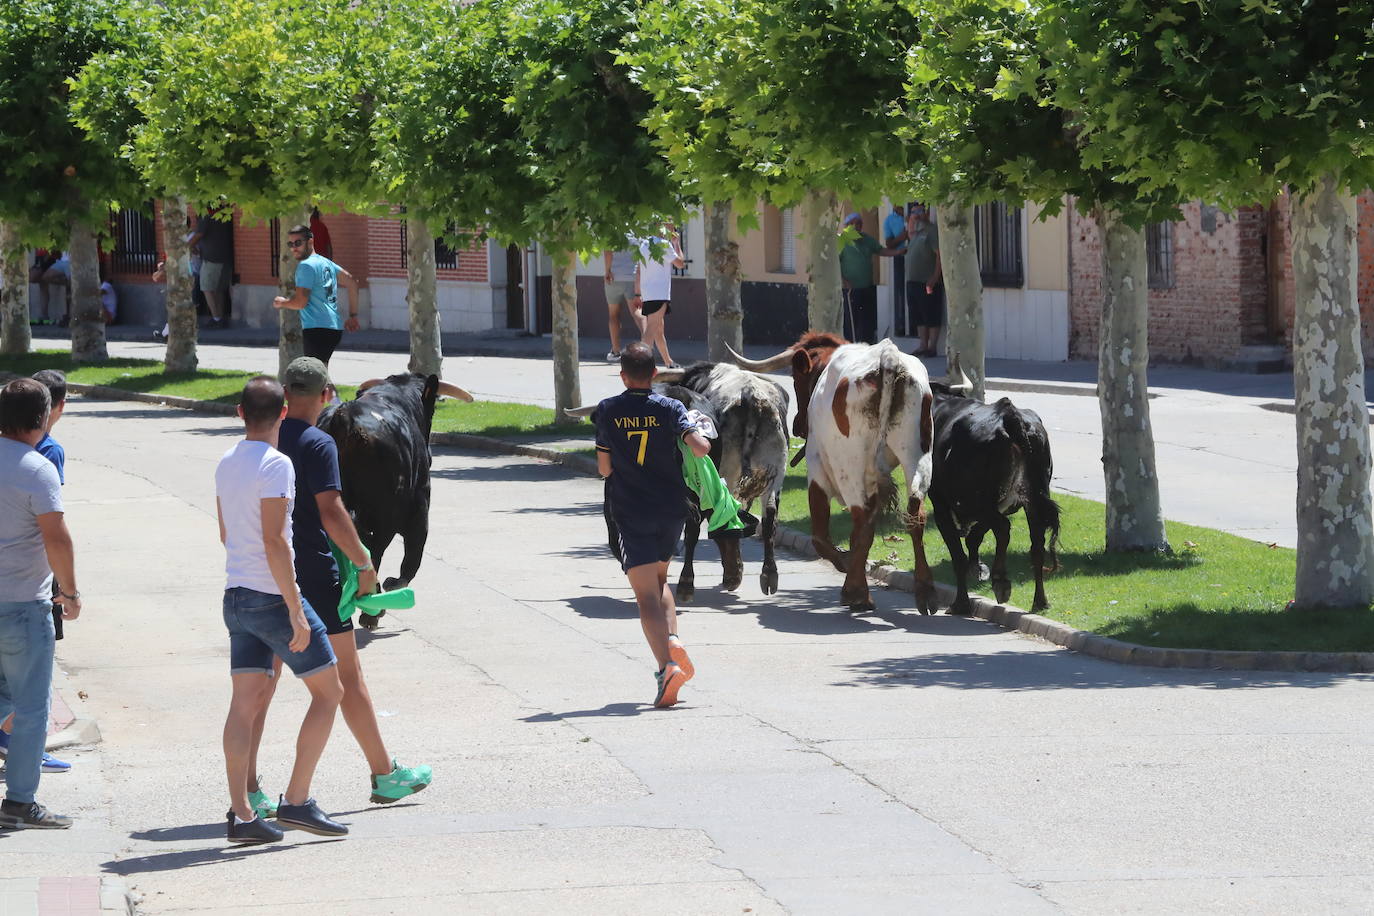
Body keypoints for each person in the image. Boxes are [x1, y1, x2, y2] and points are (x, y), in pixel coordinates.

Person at [243, 357, 432, 816]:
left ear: (286, 395)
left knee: (261, 687)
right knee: (346, 679)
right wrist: (364, 563)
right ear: (326, 395)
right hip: (312, 575)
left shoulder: (258, 442)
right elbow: (332, 511)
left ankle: (249, 789)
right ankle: (383, 775)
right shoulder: (318, 442)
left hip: (259, 576)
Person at [216, 376, 346, 844]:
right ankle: (297, 800)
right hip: (272, 596)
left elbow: (227, 534)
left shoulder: (226, 462)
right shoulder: (277, 465)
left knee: (243, 705)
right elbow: (275, 539)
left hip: (236, 595)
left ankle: (242, 814)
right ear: (284, 413)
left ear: (239, 412)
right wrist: (294, 607)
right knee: (330, 692)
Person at [595, 343, 712, 707]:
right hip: (671, 509)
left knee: (644, 595)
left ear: (623, 375)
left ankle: (666, 668)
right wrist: (697, 427)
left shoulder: (608, 410)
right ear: (655, 375)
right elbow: (701, 448)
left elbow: (604, 469)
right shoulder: (672, 407)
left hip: (632, 510)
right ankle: (673, 641)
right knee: (661, 580)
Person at [0, 378, 81, 830]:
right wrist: (68, 593)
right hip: (23, 606)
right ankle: (19, 803)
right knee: (31, 709)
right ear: (44, 415)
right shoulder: (37, 468)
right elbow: (57, 538)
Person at [273, 224, 360, 366]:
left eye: (298, 243)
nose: (294, 247)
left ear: (310, 242)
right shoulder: (326, 263)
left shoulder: (306, 266)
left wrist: (282, 302)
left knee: (315, 377)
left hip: (317, 329)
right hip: (333, 328)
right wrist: (353, 316)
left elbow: (301, 302)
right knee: (320, 375)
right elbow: (352, 283)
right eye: (290, 244)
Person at [838, 213, 903, 344]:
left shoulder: (867, 239)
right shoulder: (841, 240)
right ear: (846, 226)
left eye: (859, 224)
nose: (856, 226)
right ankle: (850, 346)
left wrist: (898, 252)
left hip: (867, 287)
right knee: (851, 321)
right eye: (853, 224)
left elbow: (880, 250)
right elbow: (834, 263)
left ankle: (866, 345)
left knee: (867, 320)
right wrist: (843, 280)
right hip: (850, 290)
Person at [631, 224, 685, 369]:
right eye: (670, 226)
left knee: (658, 329)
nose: (672, 229)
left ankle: (668, 362)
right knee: (651, 329)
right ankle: (641, 364)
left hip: (648, 293)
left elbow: (638, 272)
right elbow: (680, 264)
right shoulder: (664, 245)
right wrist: (676, 244)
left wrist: (638, 293)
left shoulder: (643, 244)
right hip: (660, 293)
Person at [905, 203, 944, 357]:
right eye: (914, 212)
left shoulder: (931, 230)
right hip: (912, 281)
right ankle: (922, 345)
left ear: (927, 213)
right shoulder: (915, 233)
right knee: (918, 315)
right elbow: (910, 230)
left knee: (931, 314)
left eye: (920, 211)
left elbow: (939, 255)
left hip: (927, 281)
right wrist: (912, 220)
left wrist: (935, 277)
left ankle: (932, 347)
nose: (917, 215)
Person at [188, 204, 234, 329]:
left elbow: (198, 235)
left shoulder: (206, 215)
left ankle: (216, 318)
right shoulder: (224, 214)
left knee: (207, 287)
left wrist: (186, 247)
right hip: (226, 257)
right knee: (218, 289)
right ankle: (219, 317)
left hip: (211, 258)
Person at [602, 244, 644, 362]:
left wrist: (607, 271)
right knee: (637, 312)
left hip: (613, 278)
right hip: (632, 278)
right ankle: (647, 343)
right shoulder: (637, 233)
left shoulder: (612, 231)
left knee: (613, 314)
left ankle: (615, 351)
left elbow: (608, 251)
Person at [883, 203, 909, 336]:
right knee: (901, 290)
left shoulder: (912, 211)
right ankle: (901, 324)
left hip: (916, 257)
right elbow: (888, 244)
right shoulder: (889, 220)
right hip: (900, 257)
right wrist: (902, 237)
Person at [37, 252, 70, 327]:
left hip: (71, 262)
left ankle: (69, 315)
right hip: (61, 261)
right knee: (45, 277)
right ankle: (67, 282)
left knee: (70, 291)